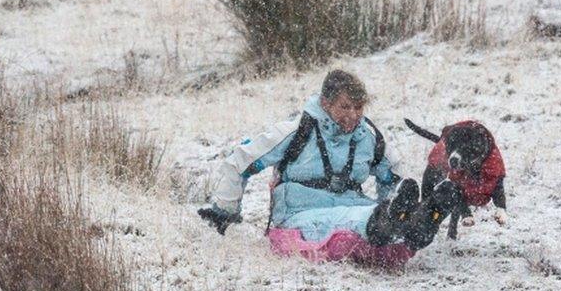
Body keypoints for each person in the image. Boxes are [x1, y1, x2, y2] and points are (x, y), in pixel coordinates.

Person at [197, 69, 461, 251]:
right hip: (299, 213)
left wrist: (391, 198)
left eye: (359, 108)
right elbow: (238, 163)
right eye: (345, 107)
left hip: (355, 205)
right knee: (344, 220)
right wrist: (225, 214)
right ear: (325, 103)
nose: (353, 115)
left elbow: (393, 176)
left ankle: (420, 219)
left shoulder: (367, 138)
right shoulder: (296, 132)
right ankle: (389, 222)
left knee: (357, 213)